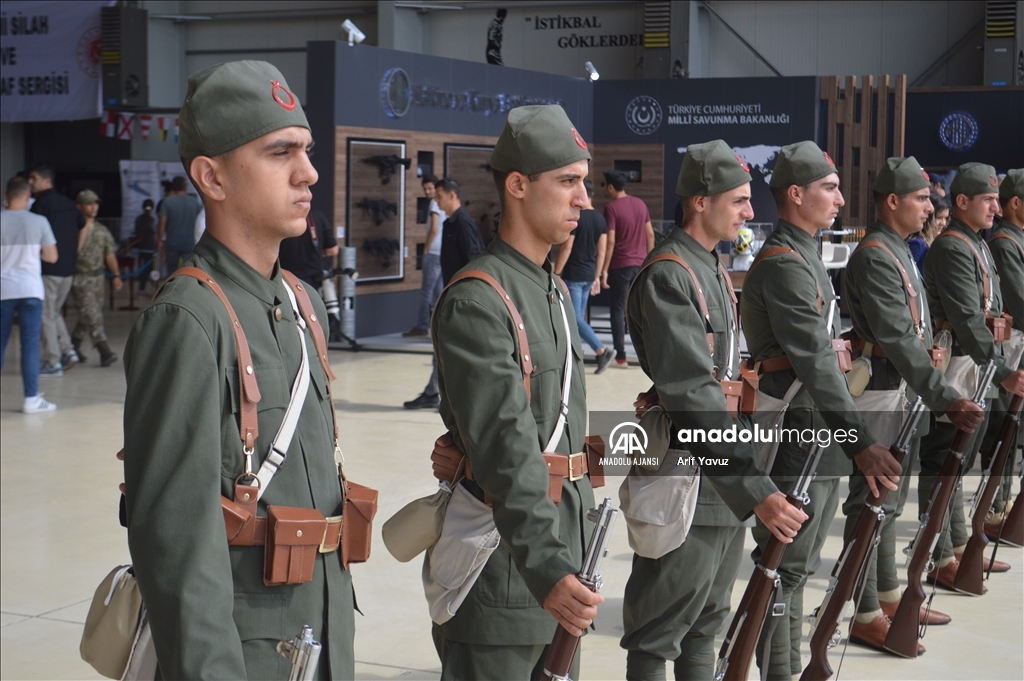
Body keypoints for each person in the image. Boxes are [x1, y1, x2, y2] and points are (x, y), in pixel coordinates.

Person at [122, 60, 355, 678]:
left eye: (305, 150)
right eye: (280, 153)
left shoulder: (303, 304)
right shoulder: (189, 320)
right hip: (248, 656)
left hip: (321, 636)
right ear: (212, 177)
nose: (308, 173)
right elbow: (175, 546)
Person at [427, 103, 603, 680]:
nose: (585, 199)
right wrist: (550, 568)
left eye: (585, 182)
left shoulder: (548, 287)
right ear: (519, 185)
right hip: (507, 574)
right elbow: (507, 452)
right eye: (569, 182)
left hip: (560, 563)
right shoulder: (481, 299)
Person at [622, 140, 807, 680]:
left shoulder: (710, 268)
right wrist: (757, 489)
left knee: (708, 625)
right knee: (659, 635)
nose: (751, 212)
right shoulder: (670, 275)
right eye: (740, 200)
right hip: (686, 479)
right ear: (699, 201)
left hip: (723, 481)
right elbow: (695, 400)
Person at [740, 141, 902, 681]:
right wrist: (861, 443)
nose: (839, 199)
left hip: (820, 424)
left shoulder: (805, 254)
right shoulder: (786, 264)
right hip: (802, 426)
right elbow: (813, 361)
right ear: (795, 194)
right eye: (828, 188)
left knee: (798, 565)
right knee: (783, 568)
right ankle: (780, 672)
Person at [842, 157, 986, 652]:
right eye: (922, 198)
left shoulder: (897, 251)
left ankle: (886, 597)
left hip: (902, 386)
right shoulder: (876, 255)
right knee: (870, 501)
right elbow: (898, 340)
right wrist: (945, 396)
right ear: (892, 201)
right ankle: (862, 611)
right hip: (882, 385)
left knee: (888, 500)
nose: (930, 208)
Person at [920, 162, 1024, 589]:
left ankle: (960, 547)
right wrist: (1001, 371)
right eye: (988, 199)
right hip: (958, 365)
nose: (996, 208)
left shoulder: (975, 244)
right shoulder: (951, 247)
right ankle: (941, 554)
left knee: (959, 463)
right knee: (945, 460)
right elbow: (966, 318)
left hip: (977, 364)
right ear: (962, 202)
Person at [404, 178, 483, 410]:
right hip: (452, 293)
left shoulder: (463, 223)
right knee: (443, 345)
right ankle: (435, 392)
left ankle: (447, 394)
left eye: (438, 196)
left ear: (451, 195)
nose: (435, 200)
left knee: (451, 346)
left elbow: (473, 258)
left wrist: (467, 295)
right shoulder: (450, 223)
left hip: (463, 296)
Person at [979, 169, 1024, 537]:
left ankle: (1001, 505)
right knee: (1004, 433)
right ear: (1015, 204)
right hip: (1011, 349)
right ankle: (995, 509)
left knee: (1013, 434)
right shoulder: (1006, 242)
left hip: (1014, 347)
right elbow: (1020, 302)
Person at [1, 176, 59, 412]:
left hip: (3, 290)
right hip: (30, 290)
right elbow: (52, 257)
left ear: (6, 196)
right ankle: (31, 400)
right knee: (29, 345)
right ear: (28, 197)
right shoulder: (39, 221)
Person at [28, 162, 84, 375]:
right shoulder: (68, 203)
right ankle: (68, 351)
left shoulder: (39, 205)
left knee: (45, 315)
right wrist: (74, 251)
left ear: (46, 180)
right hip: (68, 268)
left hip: (49, 268)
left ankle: (52, 361)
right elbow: (83, 223)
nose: (30, 183)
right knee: (53, 313)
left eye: (34, 178)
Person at [554, 177, 611, 373]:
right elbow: (602, 251)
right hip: (588, 275)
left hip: (573, 274)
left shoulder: (576, 217)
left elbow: (567, 247)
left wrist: (556, 271)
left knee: (574, 318)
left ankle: (600, 349)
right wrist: (597, 276)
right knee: (577, 317)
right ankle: (579, 355)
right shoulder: (600, 219)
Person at [600, 169, 654, 366]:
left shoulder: (611, 208)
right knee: (640, 310)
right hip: (640, 265)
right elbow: (650, 234)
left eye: (604, 185)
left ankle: (620, 355)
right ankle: (648, 353)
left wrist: (604, 269)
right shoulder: (640, 204)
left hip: (620, 265)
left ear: (612, 187)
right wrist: (650, 261)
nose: (603, 189)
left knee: (618, 309)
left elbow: (611, 241)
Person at [70, 190, 123, 367]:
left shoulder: (102, 230)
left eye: (96, 203)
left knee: (89, 315)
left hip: (98, 278)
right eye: (89, 203)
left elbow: (109, 254)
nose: (94, 207)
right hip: (80, 277)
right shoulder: (73, 228)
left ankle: (73, 346)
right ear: (79, 206)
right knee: (92, 315)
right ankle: (103, 349)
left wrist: (116, 275)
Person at [404, 174, 446, 338]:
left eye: (430, 188)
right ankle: (440, 326)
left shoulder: (434, 204)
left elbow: (434, 228)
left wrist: (426, 249)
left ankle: (422, 326)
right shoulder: (441, 203)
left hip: (433, 252)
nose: (427, 192)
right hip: (441, 253)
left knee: (426, 292)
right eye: (425, 189)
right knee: (438, 294)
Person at [278, 207, 338, 290]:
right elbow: (333, 250)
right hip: (312, 280)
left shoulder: (279, 217)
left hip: (284, 278)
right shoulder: (317, 216)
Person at [157, 175, 202, 276]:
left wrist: (160, 240)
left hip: (172, 243)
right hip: (190, 243)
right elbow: (199, 223)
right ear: (185, 187)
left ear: (173, 187)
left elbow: (162, 223)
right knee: (189, 273)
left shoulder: (167, 202)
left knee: (171, 273)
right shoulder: (194, 202)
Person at [907, 193, 949, 271]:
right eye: (939, 218)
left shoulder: (931, 241)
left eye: (945, 218)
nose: (943, 223)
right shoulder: (918, 243)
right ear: (927, 218)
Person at [131, 199, 157, 293]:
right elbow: (155, 235)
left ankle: (144, 288)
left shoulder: (138, 219)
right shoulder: (152, 220)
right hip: (150, 249)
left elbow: (136, 233)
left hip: (141, 248)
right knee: (149, 270)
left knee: (144, 270)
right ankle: (150, 289)